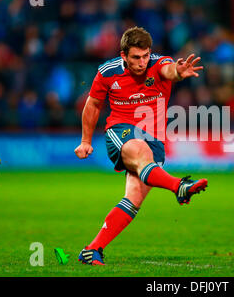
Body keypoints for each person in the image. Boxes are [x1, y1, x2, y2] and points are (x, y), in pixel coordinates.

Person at [74, 26, 208, 265]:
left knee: (133, 198)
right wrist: (85, 141)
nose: (142, 62)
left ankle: (92, 250)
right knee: (141, 151)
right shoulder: (107, 72)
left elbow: (169, 71)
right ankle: (179, 186)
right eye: (136, 57)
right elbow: (93, 105)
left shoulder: (158, 64)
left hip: (155, 140)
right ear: (123, 55)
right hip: (121, 131)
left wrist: (178, 71)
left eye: (146, 56)